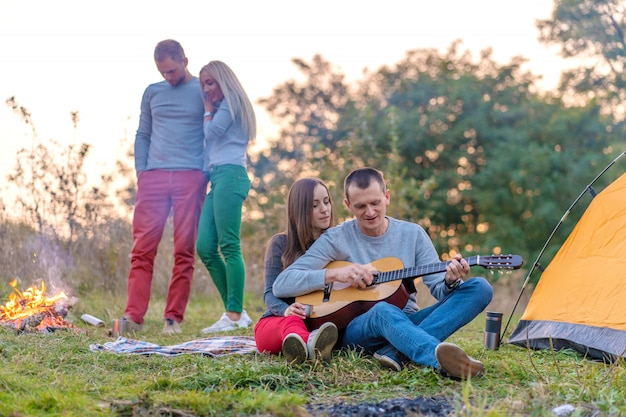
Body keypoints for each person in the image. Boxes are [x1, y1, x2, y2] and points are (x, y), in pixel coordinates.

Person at [273, 167, 493, 379]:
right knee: (382, 311)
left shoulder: (413, 234)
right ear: (348, 205)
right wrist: (334, 275)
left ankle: (395, 352)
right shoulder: (336, 238)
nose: (369, 212)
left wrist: (451, 281)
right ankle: (437, 358)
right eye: (360, 206)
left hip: (408, 320)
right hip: (359, 330)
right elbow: (282, 284)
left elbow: (441, 292)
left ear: (387, 196)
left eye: (375, 203)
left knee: (480, 288)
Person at [122, 39, 207, 335]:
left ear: (185, 60)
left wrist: (203, 173)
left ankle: (173, 319)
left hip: (189, 176)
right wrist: (142, 172)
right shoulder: (152, 92)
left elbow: (213, 129)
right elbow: (143, 132)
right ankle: (133, 317)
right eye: (163, 73)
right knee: (142, 250)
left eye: (172, 71)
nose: (168, 78)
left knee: (183, 250)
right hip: (154, 178)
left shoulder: (202, 89)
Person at [196, 61, 256, 333]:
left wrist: (207, 111)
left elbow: (212, 133)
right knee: (205, 246)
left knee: (229, 246)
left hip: (232, 176)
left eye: (210, 83)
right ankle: (237, 312)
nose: (206, 89)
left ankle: (233, 314)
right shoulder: (223, 106)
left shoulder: (231, 103)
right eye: (203, 84)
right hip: (218, 178)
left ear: (223, 80)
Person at [254, 178, 339, 363]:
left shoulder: (337, 243)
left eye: (327, 201)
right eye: (314, 205)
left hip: (319, 321)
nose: (324, 209)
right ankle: (311, 345)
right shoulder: (280, 243)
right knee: (292, 322)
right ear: (299, 210)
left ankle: (310, 343)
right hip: (278, 321)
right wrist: (286, 310)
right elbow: (269, 294)